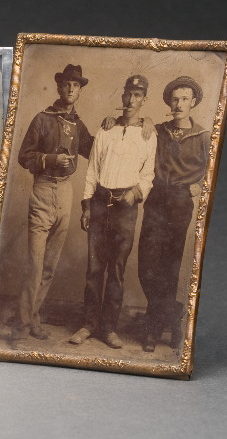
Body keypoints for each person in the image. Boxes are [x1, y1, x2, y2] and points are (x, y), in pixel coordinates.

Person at [70, 74, 157, 349]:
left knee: (117, 271)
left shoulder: (148, 133)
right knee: (94, 269)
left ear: (144, 100)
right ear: (122, 97)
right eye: (128, 94)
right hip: (99, 204)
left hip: (125, 209)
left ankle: (109, 328)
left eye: (137, 95)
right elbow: (92, 170)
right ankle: (88, 324)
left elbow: (149, 173)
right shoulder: (106, 129)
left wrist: (136, 192)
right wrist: (86, 206)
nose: (131, 100)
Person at [12, 64, 95, 340]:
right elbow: (25, 156)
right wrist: (49, 159)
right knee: (35, 264)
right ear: (59, 87)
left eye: (76, 85)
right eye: (67, 84)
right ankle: (22, 328)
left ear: (80, 90)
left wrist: (114, 127)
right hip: (43, 190)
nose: (71, 89)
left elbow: (94, 149)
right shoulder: (42, 119)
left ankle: (31, 319)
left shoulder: (77, 124)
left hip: (66, 192)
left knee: (49, 264)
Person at [137, 76, 208, 352]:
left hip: (179, 203)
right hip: (156, 200)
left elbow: (212, 170)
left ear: (193, 103)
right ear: (169, 102)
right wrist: (140, 121)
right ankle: (174, 314)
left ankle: (153, 328)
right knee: (146, 265)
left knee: (169, 266)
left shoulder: (203, 136)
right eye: (175, 99)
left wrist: (197, 187)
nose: (179, 104)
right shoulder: (157, 130)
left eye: (184, 99)